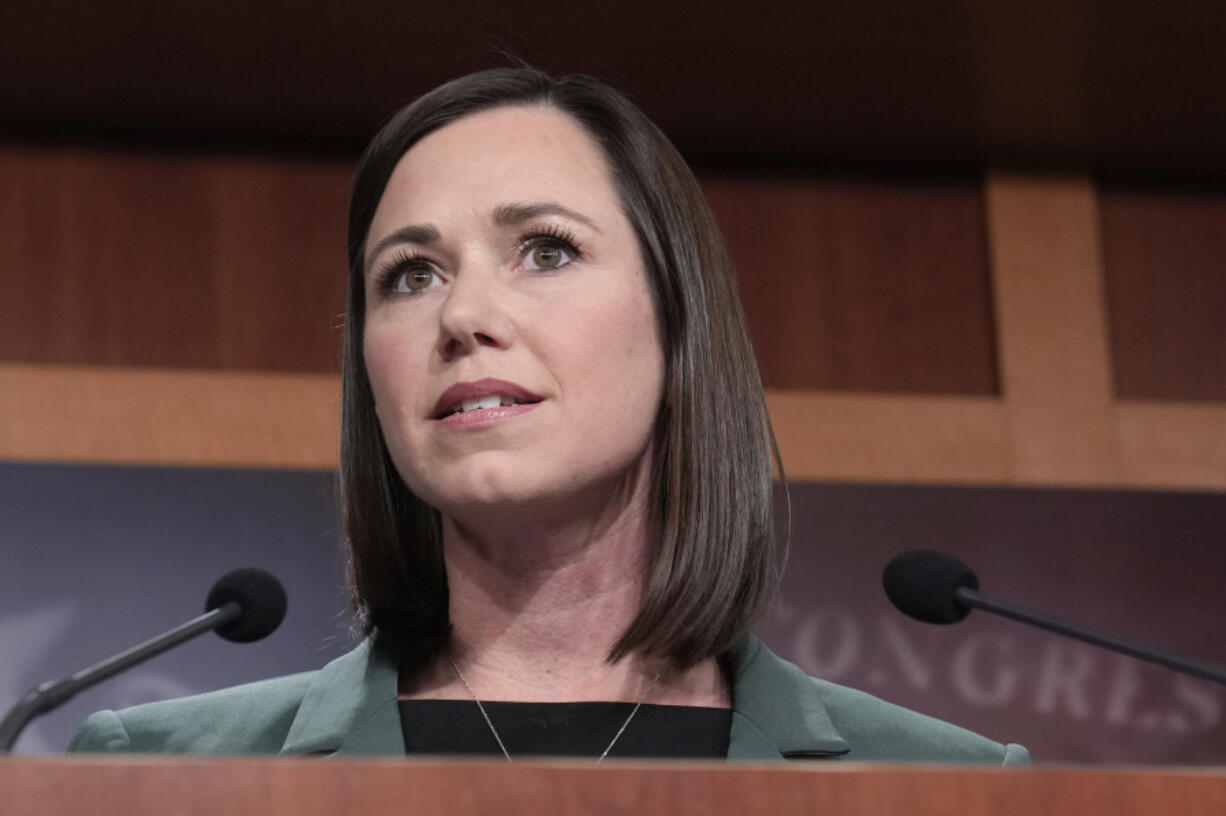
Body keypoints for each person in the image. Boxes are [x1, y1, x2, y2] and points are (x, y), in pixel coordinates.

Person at [71, 67, 1028, 764]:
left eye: (546, 250)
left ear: (676, 315)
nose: (464, 317)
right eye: (410, 274)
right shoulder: (164, 777)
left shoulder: (949, 786)